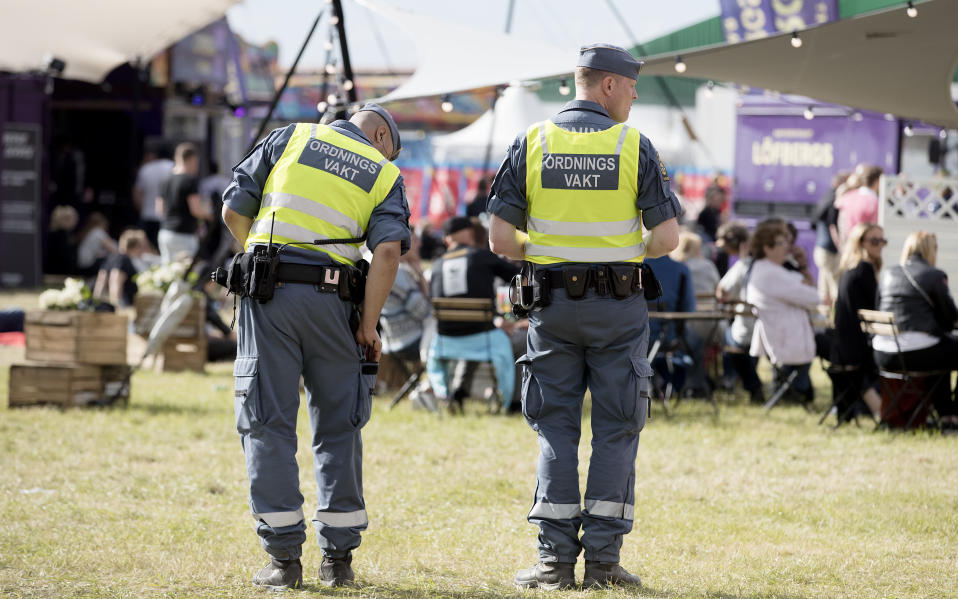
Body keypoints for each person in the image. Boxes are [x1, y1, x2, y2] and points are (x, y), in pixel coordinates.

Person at [488, 44, 681, 590]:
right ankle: (602, 563)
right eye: (633, 86)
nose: (637, 96)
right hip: (618, 308)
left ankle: (553, 563)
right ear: (610, 85)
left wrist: (552, 253)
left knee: (556, 430)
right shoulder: (634, 146)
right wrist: (616, 254)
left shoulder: (531, 141)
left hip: (551, 307)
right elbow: (667, 238)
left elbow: (501, 238)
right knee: (618, 429)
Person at [221, 103, 410, 590]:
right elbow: (387, 251)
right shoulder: (385, 174)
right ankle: (338, 561)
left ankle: (283, 561)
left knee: (267, 422)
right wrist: (368, 325)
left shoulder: (291, 137)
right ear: (384, 140)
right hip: (336, 304)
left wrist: (262, 262)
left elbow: (233, 209)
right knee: (339, 426)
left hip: (269, 299)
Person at [426, 215, 520, 412]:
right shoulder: (481, 256)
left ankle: (444, 393)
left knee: (433, 351)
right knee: (506, 346)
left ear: (446, 240)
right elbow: (516, 276)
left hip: (445, 340)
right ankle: (506, 401)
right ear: (470, 235)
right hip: (484, 337)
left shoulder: (436, 265)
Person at [873, 231, 958, 432]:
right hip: (915, 353)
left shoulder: (888, 273)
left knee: (943, 354)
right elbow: (950, 318)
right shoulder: (934, 275)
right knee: (945, 351)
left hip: (882, 354)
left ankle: (945, 413)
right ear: (931, 250)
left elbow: (878, 307)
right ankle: (952, 415)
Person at [745, 221, 820, 405]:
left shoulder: (769, 269)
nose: (786, 247)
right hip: (788, 338)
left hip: (785, 335)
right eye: (781, 243)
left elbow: (809, 290)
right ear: (767, 248)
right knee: (840, 348)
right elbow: (814, 297)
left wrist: (801, 266)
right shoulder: (771, 273)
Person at [829, 222, 885, 420]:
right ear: (859, 243)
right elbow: (877, 309)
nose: (879, 245)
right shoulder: (864, 269)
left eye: (882, 241)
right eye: (874, 240)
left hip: (841, 346)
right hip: (857, 348)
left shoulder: (851, 269)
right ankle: (883, 410)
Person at [158, 142, 212, 264]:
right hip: (184, 235)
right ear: (191, 159)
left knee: (168, 272)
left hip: (165, 233)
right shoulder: (189, 180)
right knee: (187, 274)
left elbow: (160, 209)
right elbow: (195, 209)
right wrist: (209, 215)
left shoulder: (165, 180)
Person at [812, 172, 849, 305]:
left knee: (824, 286)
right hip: (831, 250)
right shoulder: (835, 200)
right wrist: (841, 246)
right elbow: (833, 225)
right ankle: (833, 319)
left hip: (821, 248)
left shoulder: (825, 198)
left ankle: (825, 318)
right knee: (835, 286)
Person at [92, 228, 151, 307]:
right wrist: (116, 305)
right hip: (126, 305)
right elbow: (115, 280)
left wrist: (96, 302)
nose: (144, 249)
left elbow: (101, 281)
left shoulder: (112, 257)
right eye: (142, 246)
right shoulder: (124, 260)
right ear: (136, 247)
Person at [132, 139, 173, 248]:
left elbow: (137, 193)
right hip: (166, 217)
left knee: (144, 250)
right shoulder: (173, 168)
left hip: (146, 215)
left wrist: (142, 209)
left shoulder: (145, 169)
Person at [835, 164, 882, 242]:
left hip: (849, 243)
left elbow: (841, 224)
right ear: (877, 181)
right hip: (867, 245)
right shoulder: (875, 201)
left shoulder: (848, 197)